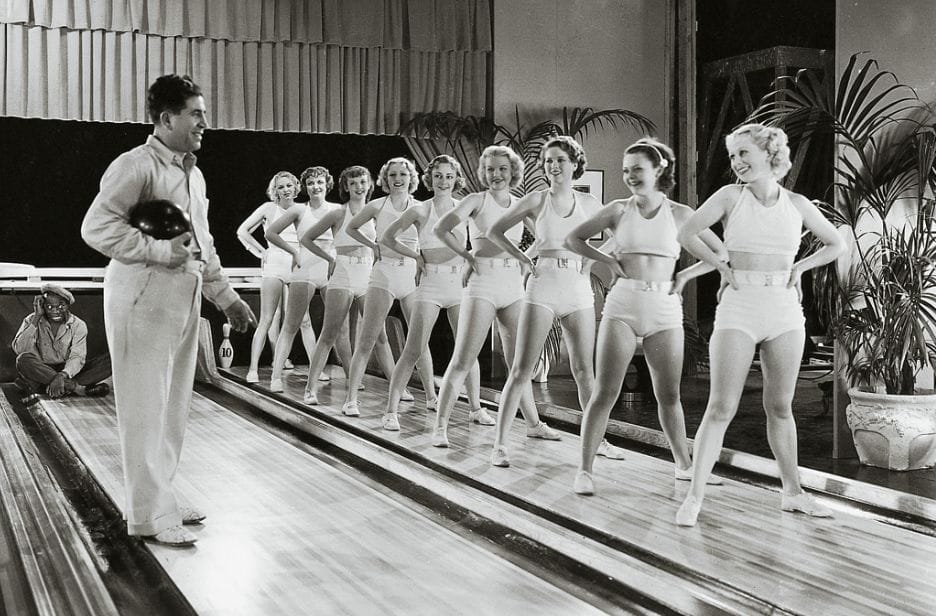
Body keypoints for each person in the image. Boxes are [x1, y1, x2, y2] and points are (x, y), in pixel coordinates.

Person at [81, 74, 256, 547]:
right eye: (196, 113)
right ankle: (148, 517)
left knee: (174, 409)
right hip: (141, 294)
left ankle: (164, 499)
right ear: (166, 118)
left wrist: (227, 298)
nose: (204, 122)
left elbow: (201, 243)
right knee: (144, 409)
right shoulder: (134, 166)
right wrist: (158, 252)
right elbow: (95, 228)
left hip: (183, 295)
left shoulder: (192, 173)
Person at [673, 123, 844, 526]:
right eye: (733, 156)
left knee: (780, 407)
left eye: (743, 154)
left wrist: (801, 267)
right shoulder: (731, 196)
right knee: (721, 407)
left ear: (770, 154)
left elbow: (837, 243)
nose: (736, 163)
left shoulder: (798, 203)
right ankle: (694, 497)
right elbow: (686, 232)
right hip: (740, 307)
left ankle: (794, 493)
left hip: (784, 310)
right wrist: (719, 266)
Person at [564, 138, 725, 495]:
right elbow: (573, 239)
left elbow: (720, 251)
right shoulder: (618, 210)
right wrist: (607, 260)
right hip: (622, 307)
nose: (630, 176)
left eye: (637, 169)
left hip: (665, 309)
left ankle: (684, 466)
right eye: (626, 170)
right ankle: (585, 470)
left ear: (658, 170)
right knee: (605, 391)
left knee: (668, 396)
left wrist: (684, 275)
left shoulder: (681, 213)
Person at [485, 136, 605, 468]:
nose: (553, 166)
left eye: (560, 160)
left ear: (575, 164)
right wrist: (523, 259)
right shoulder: (537, 199)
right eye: (549, 160)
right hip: (543, 285)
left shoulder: (591, 202)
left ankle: (599, 439)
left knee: (584, 371)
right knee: (522, 369)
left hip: (578, 288)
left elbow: (620, 235)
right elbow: (495, 232)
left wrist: (594, 261)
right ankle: (499, 445)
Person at [430, 145, 560, 449]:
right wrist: (467, 256)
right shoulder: (477, 200)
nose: (495, 174)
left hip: (512, 285)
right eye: (489, 169)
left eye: (502, 168)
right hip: (482, 283)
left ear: (512, 171)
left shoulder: (519, 203)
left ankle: (533, 425)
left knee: (520, 364)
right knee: (463, 359)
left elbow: (546, 237)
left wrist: (525, 260)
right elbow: (441, 228)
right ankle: (440, 426)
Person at [379, 155, 484, 431]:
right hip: (430, 285)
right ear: (430, 178)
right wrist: (415, 255)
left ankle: (475, 408)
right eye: (438, 176)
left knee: (468, 351)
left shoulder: (465, 208)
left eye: (449, 176)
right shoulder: (421, 210)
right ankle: (391, 412)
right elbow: (387, 238)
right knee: (413, 349)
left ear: (456, 179)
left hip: (460, 286)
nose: (444, 181)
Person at [299, 165, 417, 406]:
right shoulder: (338, 214)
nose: (359, 187)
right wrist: (330, 258)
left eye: (362, 182)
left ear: (370, 184)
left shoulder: (377, 211)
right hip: (343, 273)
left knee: (380, 336)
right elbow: (306, 239)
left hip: (369, 276)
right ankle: (310, 389)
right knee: (329, 333)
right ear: (346, 187)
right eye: (353, 184)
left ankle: (398, 387)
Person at [338, 158, 436, 417]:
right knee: (368, 339)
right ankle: (351, 400)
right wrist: (373, 245)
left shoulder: (420, 207)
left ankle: (432, 396)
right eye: (392, 174)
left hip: (411, 277)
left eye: (403, 174)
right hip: (384, 274)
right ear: (385, 178)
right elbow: (351, 227)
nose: (397, 178)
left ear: (411, 177)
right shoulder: (376, 205)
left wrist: (422, 260)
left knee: (420, 340)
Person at [236, 171, 313, 383]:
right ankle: (253, 369)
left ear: (296, 187)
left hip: (297, 265)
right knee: (268, 318)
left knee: (304, 320)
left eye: (289, 185)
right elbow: (242, 231)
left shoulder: (304, 209)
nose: (286, 190)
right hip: (275, 264)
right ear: (275, 190)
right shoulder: (269, 208)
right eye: (281, 187)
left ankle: (316, 370)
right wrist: (261, 252)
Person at [264, 166, 336, 392]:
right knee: (292, 325)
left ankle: (347, 377)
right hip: (305, 271)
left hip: (329, 272)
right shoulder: (298, 210)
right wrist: (294, 252)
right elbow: (270, 233)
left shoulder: (337, 210)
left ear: (327, 185)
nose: (315, 187)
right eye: (311, 183)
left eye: (320, 183)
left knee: (337, 329)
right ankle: (276, 376)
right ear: (305, 187)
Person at [12, 283, 112, 405]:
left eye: (61, 306)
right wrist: (37, 317)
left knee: (111, 360)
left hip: (69, 371)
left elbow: (77, 357)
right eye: (49, 307)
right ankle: (76, 388)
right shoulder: (32, 319)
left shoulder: (78, 325)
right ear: (42, 306)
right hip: (41, 372)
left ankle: (58, 386)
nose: (55, 311)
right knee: (22, 359)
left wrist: (62, 375)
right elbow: (19, 349)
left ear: (68, 305)